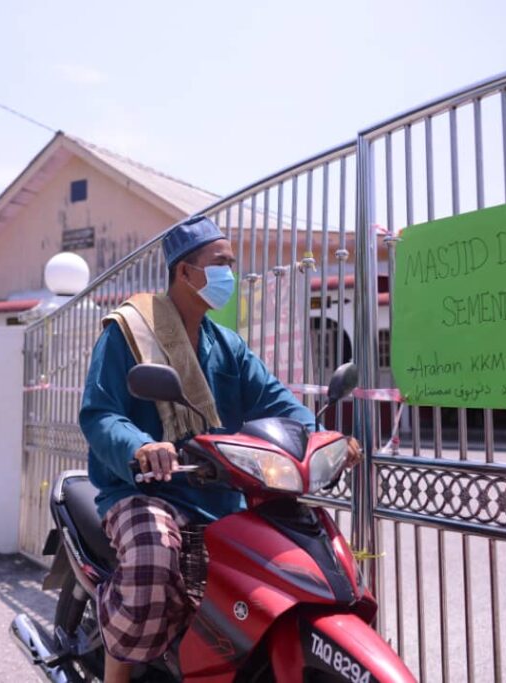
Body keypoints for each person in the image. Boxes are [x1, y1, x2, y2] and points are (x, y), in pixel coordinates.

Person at [79, 215, 362, 683]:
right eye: (220, 263)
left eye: (230, 263)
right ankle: (117, 675)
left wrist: (322, 438)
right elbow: (100, 414)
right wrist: (144, 447)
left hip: (223, 492)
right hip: (147, 491)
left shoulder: (226, 345)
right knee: (151, 560)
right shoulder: (127, 332)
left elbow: (275, 399)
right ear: (185, 272)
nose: (229, 273)